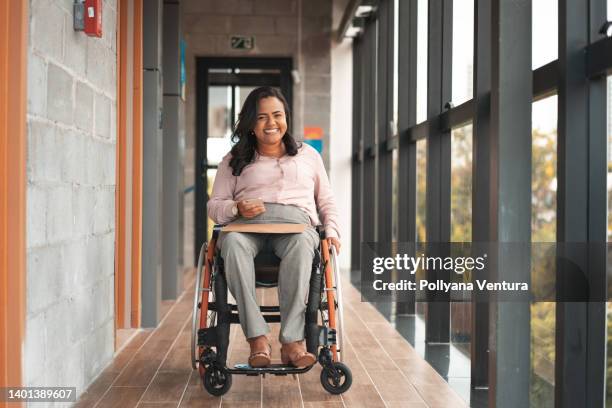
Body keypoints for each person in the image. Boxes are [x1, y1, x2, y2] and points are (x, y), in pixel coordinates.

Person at [207, 86, 341, 368]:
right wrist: (236, 208)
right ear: (251, 125)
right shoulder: (234, 160)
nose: (271, 124)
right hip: (247, 227)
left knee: (306, 243)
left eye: (277, 115)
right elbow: (214, 205)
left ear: (286, 118)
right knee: (229, 244)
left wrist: (331, 232)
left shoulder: (308, 156)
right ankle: (257, 339)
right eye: (262, 117)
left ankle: (292, 342)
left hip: (295, 227)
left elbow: (326, 200)